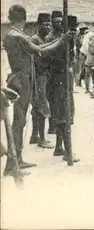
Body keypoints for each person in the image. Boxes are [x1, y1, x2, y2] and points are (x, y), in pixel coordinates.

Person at [3, 4, 68, 176]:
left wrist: (58, 39)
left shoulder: (11, 34)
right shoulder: (18, 36)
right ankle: (13, 163)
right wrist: (61, 40)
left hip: (19, 78)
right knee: (20, 121)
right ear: (24, 19)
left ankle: (17, 159)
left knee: (21, 120)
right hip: (22, 80)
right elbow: (40, 51)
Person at [45, 12, 79, 162]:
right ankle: (67, 150)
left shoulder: (64, 38)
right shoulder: (50, 39)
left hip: (64, 78)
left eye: (61, 22)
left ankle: (59, 147)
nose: (59, 24)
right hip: (57, 79)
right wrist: (64, 42)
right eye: (56, 22)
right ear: (52, 23)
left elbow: (70, 57)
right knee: (63, 115)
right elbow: (54, 60)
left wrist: (70, 42)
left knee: (64, 114)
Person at [29, 13, 53, 148]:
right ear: (38, 25)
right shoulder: (35, 40)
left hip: (43, 77)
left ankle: (34, 136)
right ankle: (42, 139)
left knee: (37, 107)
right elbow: (38, 62)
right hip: (37, 77)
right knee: (42, 107)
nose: (48, 27)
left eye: (49, 24)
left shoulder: (44, 39)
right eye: (45, 24)